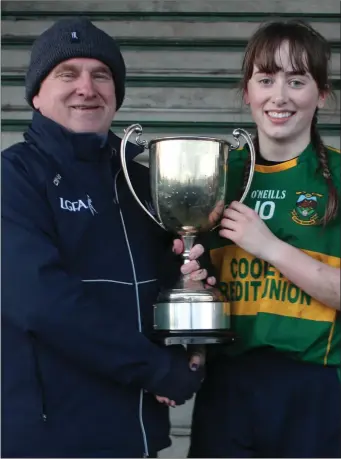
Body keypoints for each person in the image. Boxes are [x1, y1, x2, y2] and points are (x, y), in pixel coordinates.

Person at [1, 18, 211, 458]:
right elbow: (42, 302)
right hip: (49, 438)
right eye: (67, 73)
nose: (86, 87)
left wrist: (189, 283)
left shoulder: (141, 181)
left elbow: (163, 286)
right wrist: (158, 370)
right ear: (36, 95)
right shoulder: (14, 176)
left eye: (101, 74)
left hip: (134, 435)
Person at [188, 20, 341, 458]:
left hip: (314, 386)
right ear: (247, 91)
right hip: (227, 385)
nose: (280, 96)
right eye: (266, 79)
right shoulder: (215, 175)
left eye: (297, 81)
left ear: (321, 95)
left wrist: (268, 245)